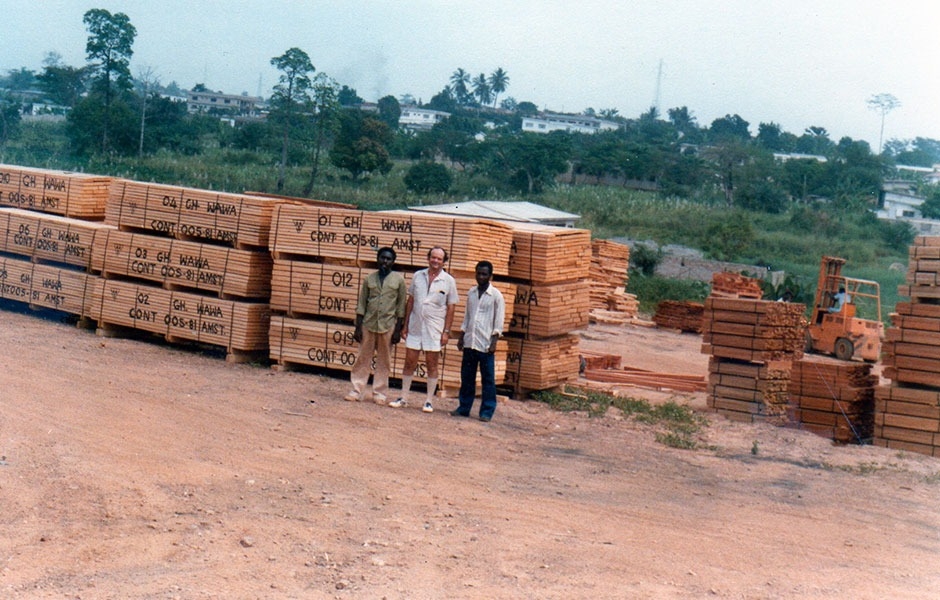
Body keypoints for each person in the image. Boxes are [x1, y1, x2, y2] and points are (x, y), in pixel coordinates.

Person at [390, 246, 458, 413]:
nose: (435, 261)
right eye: (433, 257)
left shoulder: (448, 281)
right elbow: (411, 301)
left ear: (444, 262)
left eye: (439, 259)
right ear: (428, 258)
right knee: (409, 362)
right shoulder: (418, 276)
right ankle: (404, 397)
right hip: (415, 326)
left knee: (432, 364)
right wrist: (405, 325)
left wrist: (446, 332)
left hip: (434, 328)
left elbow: (451, 308)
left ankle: (428, 401)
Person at [344, 247, 407, 404]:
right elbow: (362, 303)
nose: (385, 262)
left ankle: (379, 392)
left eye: (388, 259)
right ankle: (357, 389)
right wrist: (358, 327)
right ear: (377, 259)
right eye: (382, 258)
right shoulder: (369, 279)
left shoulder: (398, 281)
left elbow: (400, 308)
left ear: (393, 262)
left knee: (384, 360)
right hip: (368, 323)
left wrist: (398, 330)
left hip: (387, 324)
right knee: (362, 357)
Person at [452, 260, 505, 422]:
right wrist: (462, 336)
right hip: (470, 341)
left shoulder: (496, 296)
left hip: (486, 344)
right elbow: (468, 316)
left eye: (484, 274)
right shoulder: (472, 293)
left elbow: (499, 320)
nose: (481, 277)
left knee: (487, 379)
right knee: (467, 377)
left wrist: (494, 341)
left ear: (490, 276)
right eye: (478, 273)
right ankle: (464, 407)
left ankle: (487, 411)